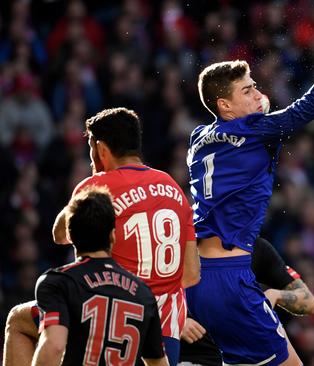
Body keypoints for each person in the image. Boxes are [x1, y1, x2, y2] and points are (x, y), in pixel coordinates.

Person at [185, 29, 314, 366]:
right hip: (231, 275)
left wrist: (255, 107)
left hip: (194, 278)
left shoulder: (199, 138)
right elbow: (310, 103)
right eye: (247, 90)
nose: (257, 93)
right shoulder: (253, 131)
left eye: (254, 85)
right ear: (224, 106)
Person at [3, 107, 199, 366]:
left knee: (18, 320)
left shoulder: (98, 185)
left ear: (102, 150)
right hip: (164, 339)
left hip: (106, 324)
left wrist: (88, 188)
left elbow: (60, 235)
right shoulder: (173, 186)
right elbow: (191, 274)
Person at [31, 186, 169, 366]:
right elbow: (158, 362)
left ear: (70, 236)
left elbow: (55, 345)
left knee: (17, 320)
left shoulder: (58, 282)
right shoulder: (143, 293)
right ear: (112, 236)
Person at [178, 238, 314, 366]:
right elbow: (156, 299)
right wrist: (176, 320)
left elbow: (309, 302)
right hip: (193, 356)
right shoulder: (179, 249)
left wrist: (275, 295)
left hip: (245, 355)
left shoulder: (254, 247)